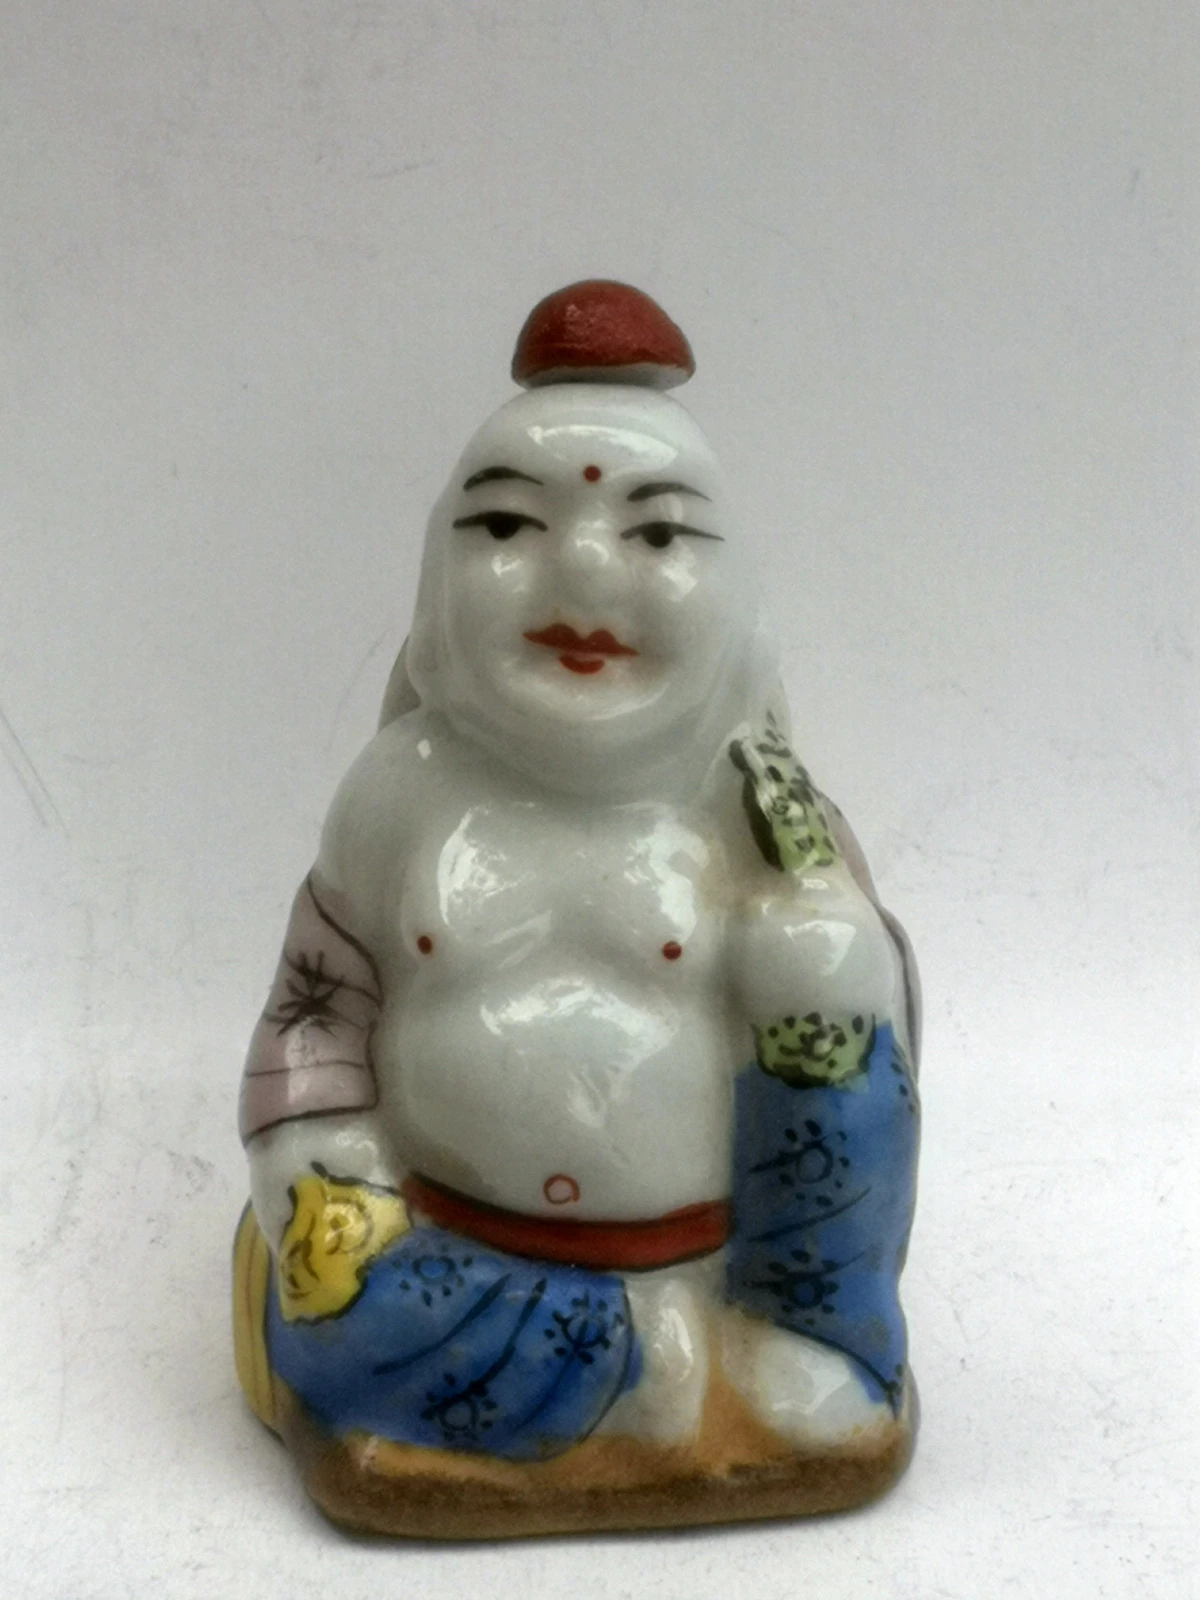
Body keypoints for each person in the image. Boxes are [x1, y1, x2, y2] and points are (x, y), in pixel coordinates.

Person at [233, 282, 919, 1523]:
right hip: (452, 1252)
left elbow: (866, 1082)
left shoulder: (760, 810)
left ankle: (778, 1331)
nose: (583, 571)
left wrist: (825, 957)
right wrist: (316, 1170)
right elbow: (312, 1012)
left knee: (834, 986)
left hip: (702, 1250)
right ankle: (636, 1364)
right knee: (342, 1319)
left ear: (737, 595)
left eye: (657, 535)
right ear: (436, 576)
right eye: (507, 524)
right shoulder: (398, 796)